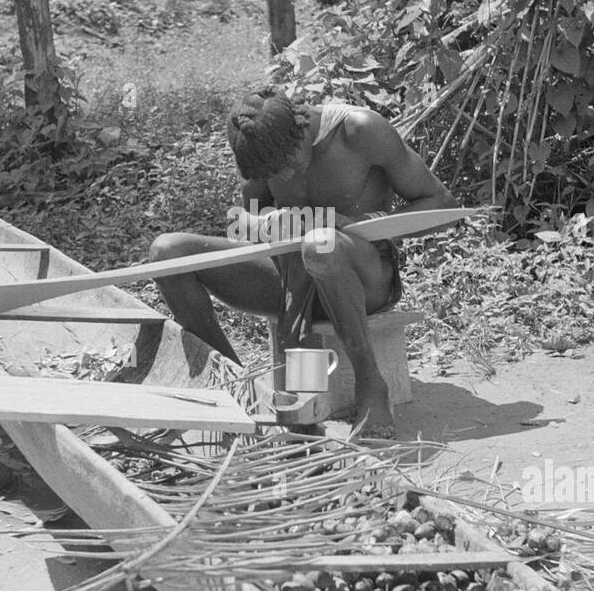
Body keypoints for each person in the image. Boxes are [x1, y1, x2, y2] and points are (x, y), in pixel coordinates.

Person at [149, 87, 455, 438]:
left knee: (319, 245)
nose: (286, 178)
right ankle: (236, 386)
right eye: (275, 174)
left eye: (289, 165)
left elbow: (441, 205)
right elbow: (243, 225)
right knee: (167, 252)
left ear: (300, 129)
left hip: (364, 276)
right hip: (293, 282)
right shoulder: (262, 147)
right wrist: (267, 223)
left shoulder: (361, 131)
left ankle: (371, 385)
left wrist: (357, 224)